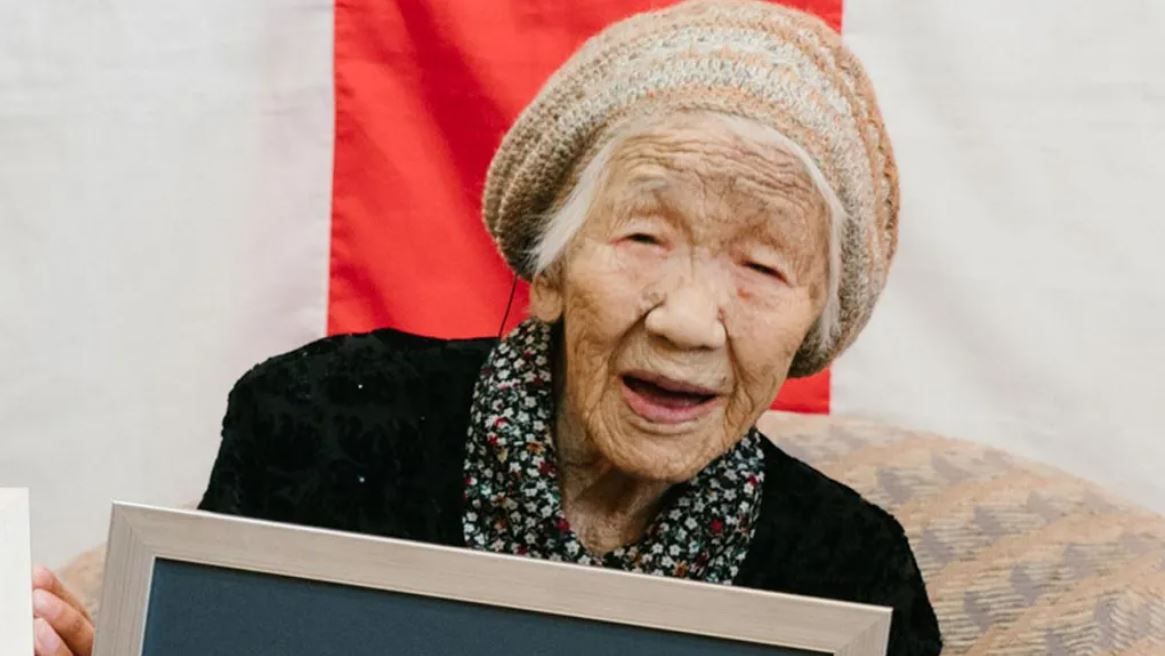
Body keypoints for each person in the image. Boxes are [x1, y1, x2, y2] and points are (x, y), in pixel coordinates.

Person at [32, 1, 941, 654]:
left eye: (762, 268)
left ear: (810, 328)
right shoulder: (324, 419)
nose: (690, 322)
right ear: (548, 270)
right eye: (645, 236)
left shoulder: (848, 571)